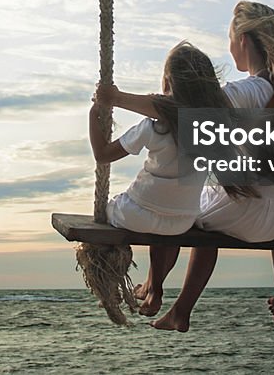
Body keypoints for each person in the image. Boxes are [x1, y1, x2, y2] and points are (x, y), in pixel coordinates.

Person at [98, 1, 274, 330]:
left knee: (187, 214)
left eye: (230, 40)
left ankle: (170, 299)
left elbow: (180, 107)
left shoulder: (247, 91)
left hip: (251, 214)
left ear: (242, 41)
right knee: (206, 202)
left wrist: (117, 98)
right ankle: (174, 298)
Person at [88, 41, 232, 314]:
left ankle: (123, 282)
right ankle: (155, 287)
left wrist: (94, 115)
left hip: (136, 214)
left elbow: (103, 155)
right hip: (180, 222)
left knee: (118, 208)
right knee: (165, 222)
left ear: (167, 82)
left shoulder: (154, 127)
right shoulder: (213, 130)